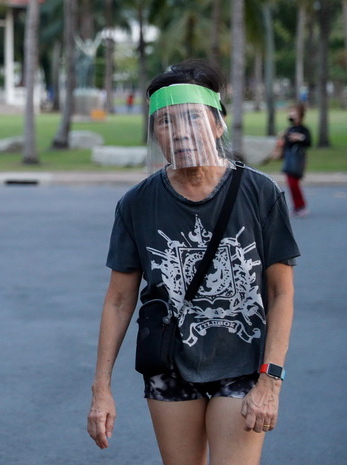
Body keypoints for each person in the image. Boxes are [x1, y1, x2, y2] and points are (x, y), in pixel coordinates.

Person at [86, 60, 299, 465]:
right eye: (165, 122)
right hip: (168, 361)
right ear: (155, 133)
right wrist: (101, 389)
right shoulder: (136, 203)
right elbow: (117, 300)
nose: (180, 132)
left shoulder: (259, 192)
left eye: (191, 119)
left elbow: (280, 291)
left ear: (217, 125)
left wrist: (271, 380)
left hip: (242, 362)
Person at [280, 103, 311, 217]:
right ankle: (296, 207)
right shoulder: (290, 129)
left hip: (298, 158)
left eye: (294, 112)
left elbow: (308, 142)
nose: (291, 114)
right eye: (291, 112)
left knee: (294, 183)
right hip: (288, 158)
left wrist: (300, 137)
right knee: (290, 184)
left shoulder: (303, 129)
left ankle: (302, 205)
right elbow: (286, 144)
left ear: (300, 115)